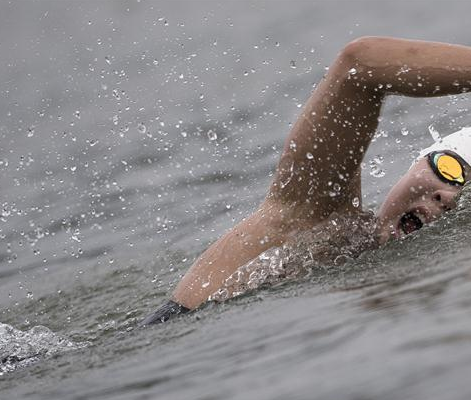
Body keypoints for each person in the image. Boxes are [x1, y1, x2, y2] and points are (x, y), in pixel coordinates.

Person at [141, 36, 471, 326]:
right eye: (450, 169)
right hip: (169, 335)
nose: (449, 196)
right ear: (417, 163)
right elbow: (360, 65)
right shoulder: (318, 213)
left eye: (464, 189)